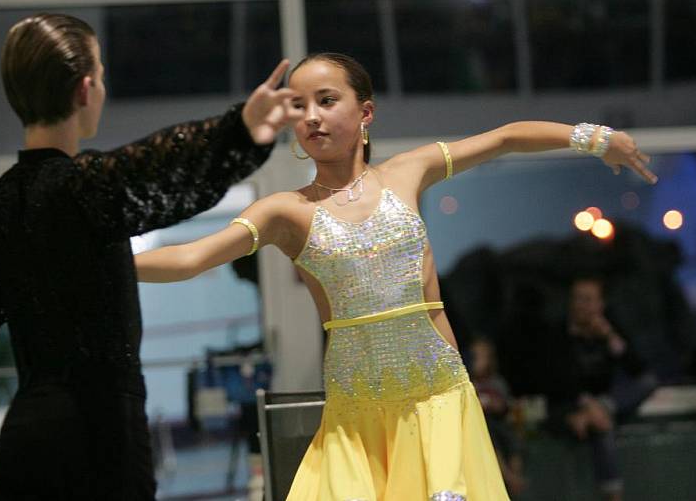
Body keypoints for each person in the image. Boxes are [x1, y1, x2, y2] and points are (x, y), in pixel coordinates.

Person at [135, 52, 658, 501]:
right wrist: (100, 263)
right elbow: (190, 258)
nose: (312, 117)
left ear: (365, 112)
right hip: (355, 416)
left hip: (436, 399)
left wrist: (595, 137)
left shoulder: (408, 172)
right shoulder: (286, 211)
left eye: (326, 100)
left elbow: (504, 138)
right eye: (300, 107)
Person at [0, 13, 301, 501]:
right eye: (103, 74)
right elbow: (159, 167)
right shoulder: (85, 188)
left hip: (25, 436)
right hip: (101, 437)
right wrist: (241, 130)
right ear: (86, 90)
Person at [545, 276, 656, 501]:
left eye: (587, 300)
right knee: (602, 426)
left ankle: (597, 412)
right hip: (570, 404)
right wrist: (586, 405)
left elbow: (637, 369)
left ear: (600, 305)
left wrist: (610, 336)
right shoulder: (558, 333)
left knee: (647, 383)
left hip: (606, 404)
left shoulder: (608, 329)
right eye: (576, 299)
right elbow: (557, 380)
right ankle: (614, 496)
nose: (580, 305)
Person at [469, 337, 525, 497]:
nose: (477, 361)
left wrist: (494, 404)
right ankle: (508, 478)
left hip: (500, 423)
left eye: (481, 356)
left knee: (513, 439)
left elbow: (505, 406)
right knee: (490, 440)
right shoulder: (468, 382)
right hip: (480, 427)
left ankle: (515, 476)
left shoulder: (497, 382)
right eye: (474, 356)